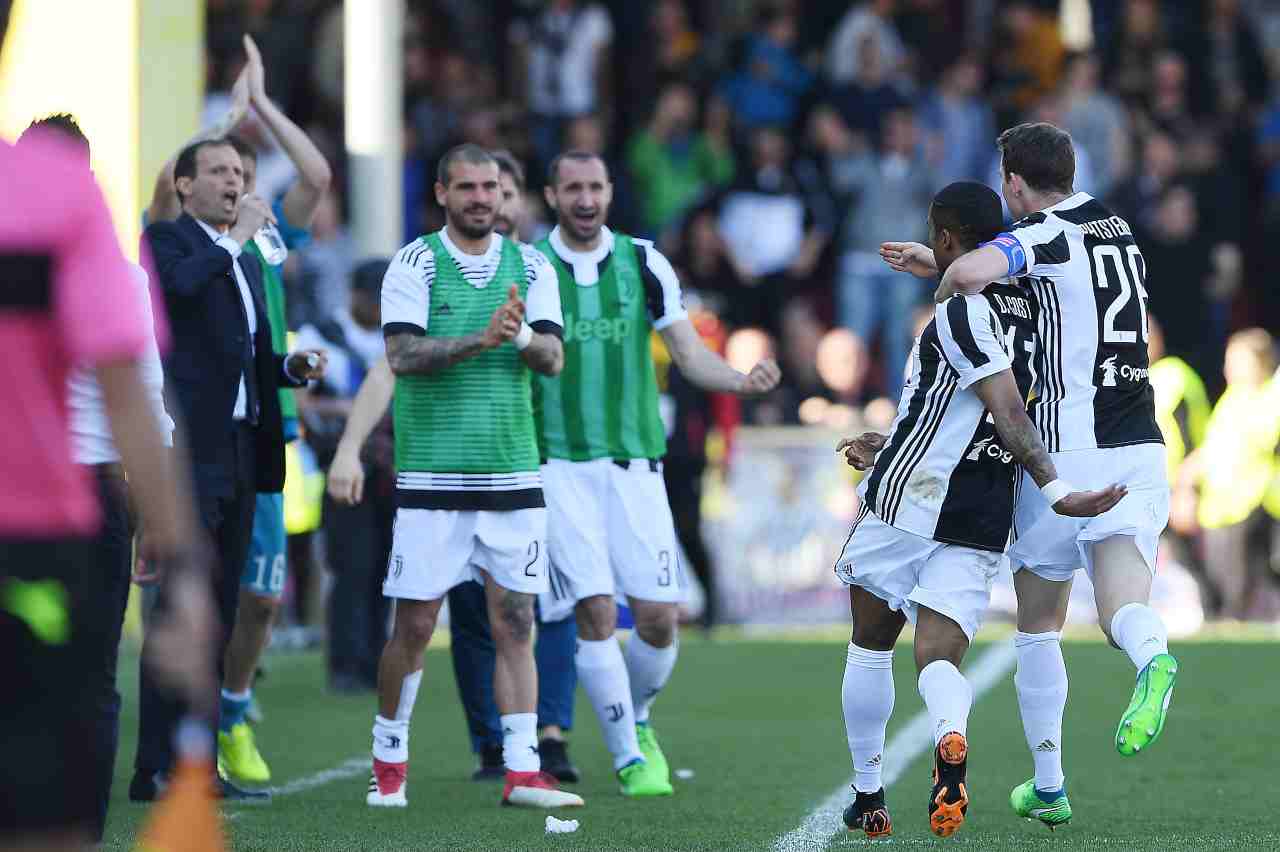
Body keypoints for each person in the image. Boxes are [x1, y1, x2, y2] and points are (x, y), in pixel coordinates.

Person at [882, 122, 1176, 828]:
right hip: (1139, 444)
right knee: (1121, 604)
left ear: (1013, 183)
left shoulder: (1043, 231)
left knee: (1038, 624)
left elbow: (974, 274)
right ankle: (1154, 656)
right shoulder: (1114, 226)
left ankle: (1050, 784)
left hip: (1069, 449)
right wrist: (940, 259)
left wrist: (948, 273)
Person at [835, 182, 1124, 839]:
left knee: (872, 645)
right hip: (983, 505)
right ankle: (951, 734)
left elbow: (1007, 410)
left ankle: (868, 794)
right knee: (939, 656)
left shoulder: (958, 313)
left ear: (944, 236)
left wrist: (1055, 491)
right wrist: (888, 438)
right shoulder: (1035, 305)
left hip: (912, 496)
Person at [0, 24, 205, 847]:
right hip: (42, 528)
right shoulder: (52, 195)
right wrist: (184, 567)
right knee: (58, 738)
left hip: (53, 517)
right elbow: (134, 393)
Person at [327, 151, 584, 783]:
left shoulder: (532, 264)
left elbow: (551, 358)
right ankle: (389, 756)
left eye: (490, 187)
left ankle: (522, 771)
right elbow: (403, 355)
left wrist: (518, 336)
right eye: (465, 186)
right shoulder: (414, 263)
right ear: (441, 192)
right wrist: (482, 340)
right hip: (432, 480)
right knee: (414, 625)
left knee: (516, 621)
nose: (479, 197)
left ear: (504, 194)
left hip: (514, 474)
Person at [533, 150, 781, 796]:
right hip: (559, 466)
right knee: (592, 611)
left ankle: (635, 716)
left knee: (659, 618)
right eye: (573, 189)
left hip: (637, 466)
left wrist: (739, 379)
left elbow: (688, 352)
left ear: (610, 192)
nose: (585, 199)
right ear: (552, 195)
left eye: (595, 186)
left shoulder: (643, 261)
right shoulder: (529, 264)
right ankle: (628, 756)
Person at [146, 35, 332, 786]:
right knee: (196, 601)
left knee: (246, 599)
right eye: (219, 171)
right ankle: (176, 752)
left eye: (241, 173)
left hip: (258, 439)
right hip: (195, 446)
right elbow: (171, 200)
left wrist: (258, 109)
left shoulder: (262, 243)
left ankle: (222, 722)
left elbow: (316, 172)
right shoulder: (178, 242)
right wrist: (225, 119)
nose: (234, 181)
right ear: (192, 185)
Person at [15, 115, 174, 845]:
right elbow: (139, 391)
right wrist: (162, 527)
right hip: (84, 501)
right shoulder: (108, 258)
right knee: (90, 677)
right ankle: (81, 830)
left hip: (44, 496)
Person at [1174, 329, 1280, 620]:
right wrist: (1186, 478)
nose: (1228, 368)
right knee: (1219, 581)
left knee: (1240, 588)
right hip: (1219, 509)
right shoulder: (1231, 400)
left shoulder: (1268, 398)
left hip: (1250, 503)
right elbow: (1213, 446)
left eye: (1237, 360)